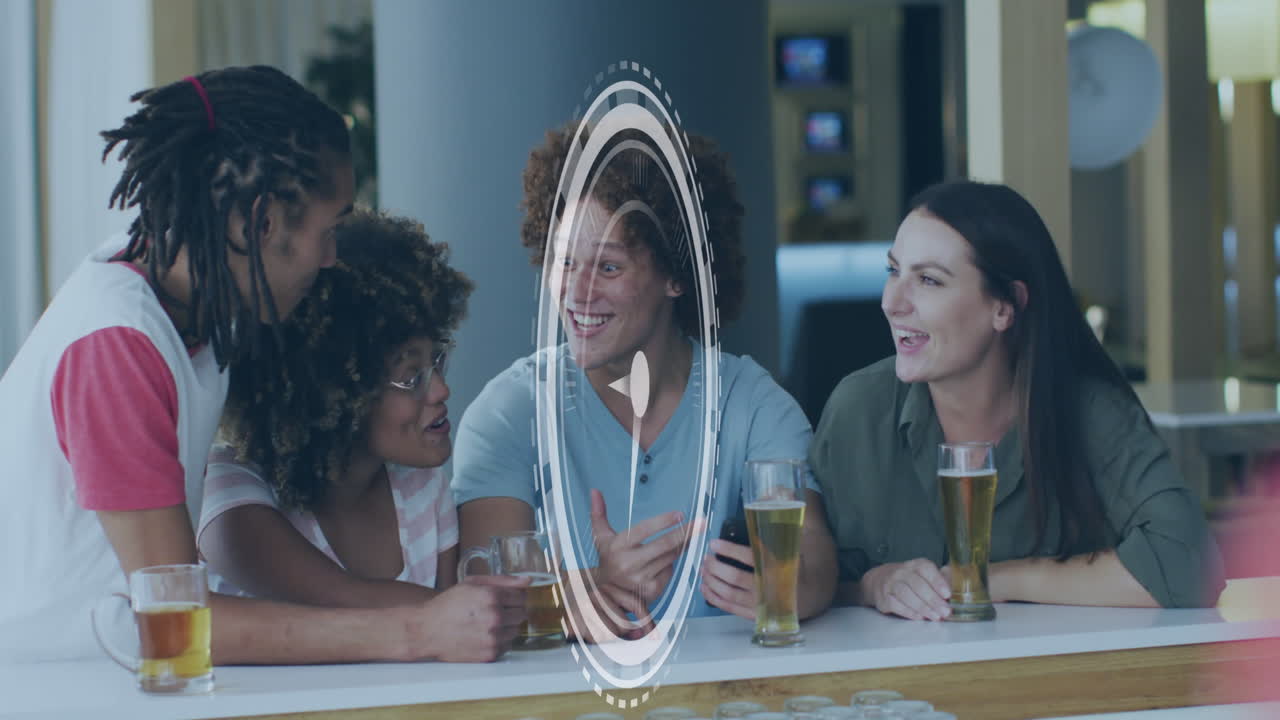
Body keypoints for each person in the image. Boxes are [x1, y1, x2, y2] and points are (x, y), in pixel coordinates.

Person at [0, 66, 524, 663]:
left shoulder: (187, 305)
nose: (331, 259)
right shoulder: (116, 345)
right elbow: (169, 615)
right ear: (260, 221)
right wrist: (417, 631)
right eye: (329, 230)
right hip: (48, 685)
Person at [451, 125, 837, 639]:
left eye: (609, 267)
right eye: (565, 262)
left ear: (679, 276)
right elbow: (485, 599)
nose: (576, 291)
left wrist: (788, 588)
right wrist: (593, 587)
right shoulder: (509, 412)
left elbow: (815, 564)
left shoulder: (754, 405)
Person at [810, 180, 1226, 621]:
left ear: (1005, 308)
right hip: (887, 689)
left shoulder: (1089, 412)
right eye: (893, 271)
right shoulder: (857, 409)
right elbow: (796, 580)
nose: (892, 302)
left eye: (929, 280)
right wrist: (873, 587)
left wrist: (991, 578)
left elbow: (1192, 566)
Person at [198, 210, 519, 643]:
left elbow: (454, 644)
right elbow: (340, 597)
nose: (441, 389)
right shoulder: (229, 495)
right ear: (334, 391)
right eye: (411, 376)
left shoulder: (423, 488)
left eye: (436, 360)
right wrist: (496, 606)